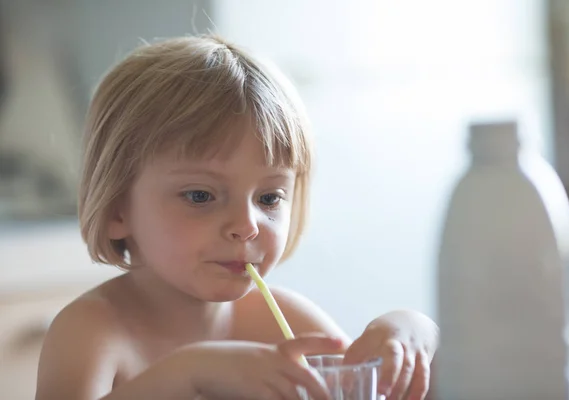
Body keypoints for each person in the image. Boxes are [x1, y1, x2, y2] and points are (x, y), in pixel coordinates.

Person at [35, 34, 438, 400]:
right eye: (200, 195)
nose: (247, 226)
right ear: (117, 210)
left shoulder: (282, 319)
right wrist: (185, 376)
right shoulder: (92, 330)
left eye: (268, 197)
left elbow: (353, 384)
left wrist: (410, 331)